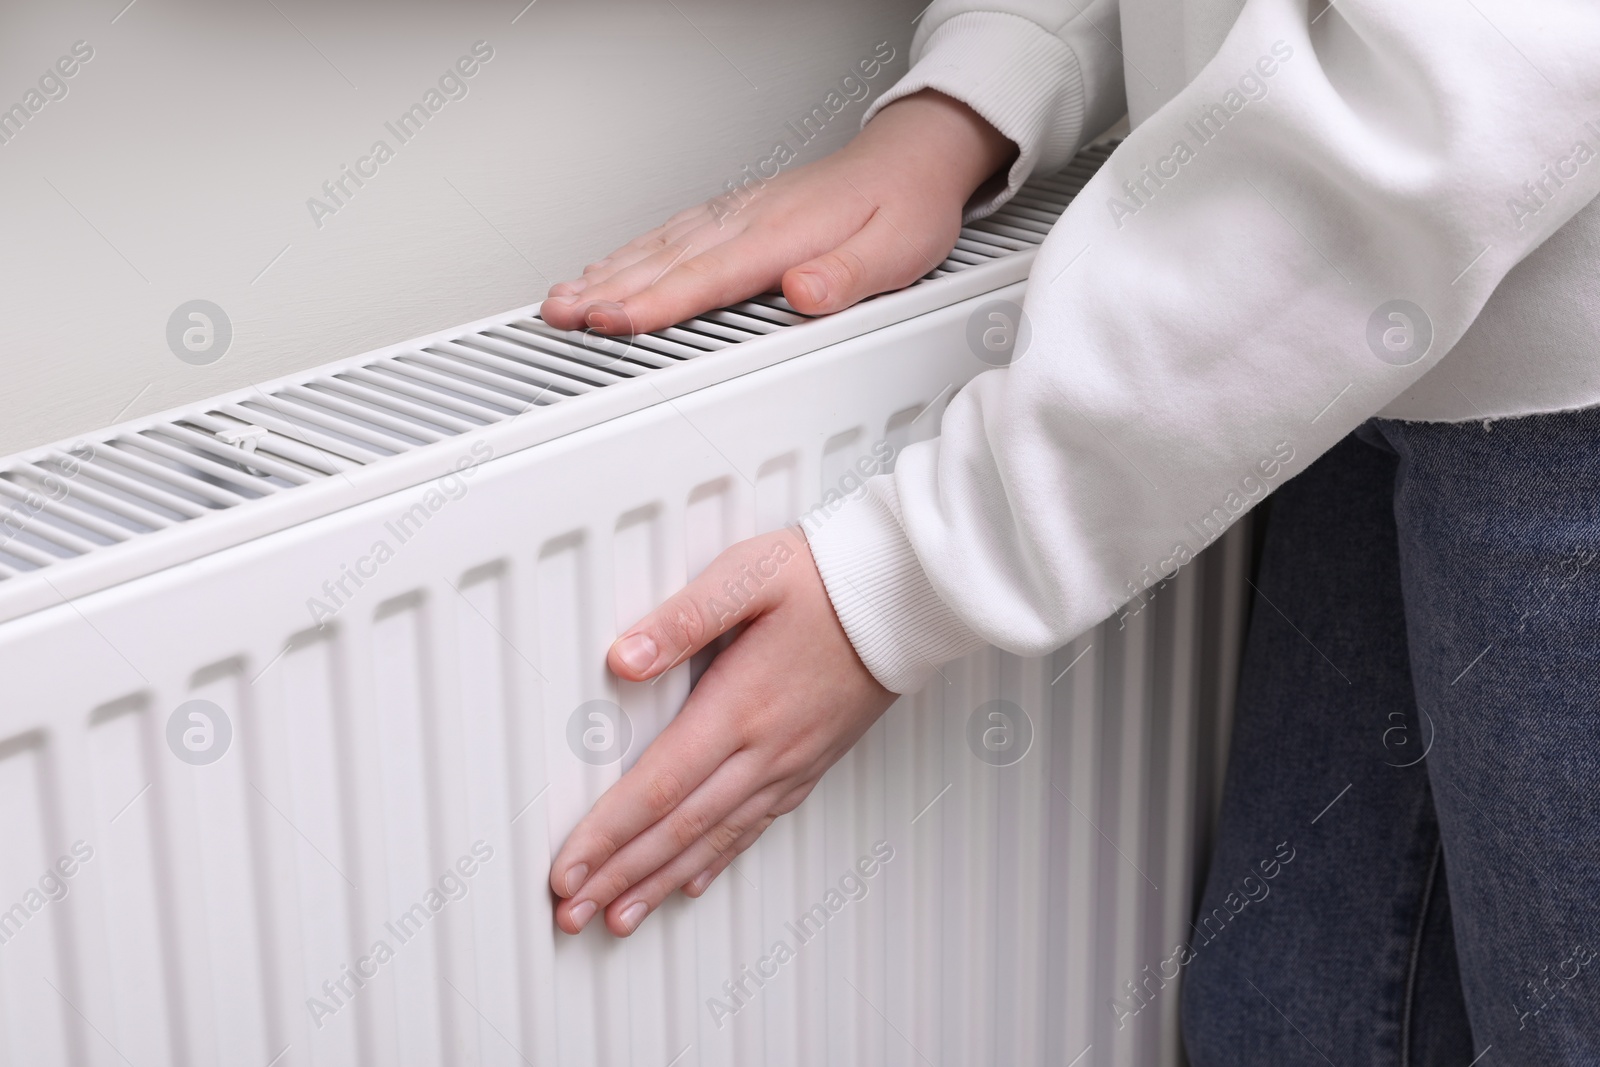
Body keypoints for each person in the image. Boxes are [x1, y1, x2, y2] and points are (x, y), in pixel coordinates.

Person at [539, 1, 1600, 1061]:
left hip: (1553, 368)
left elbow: (1502, 64)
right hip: (1371, 347)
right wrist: (975, 92)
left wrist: (918, 566)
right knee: (1286, 1019)